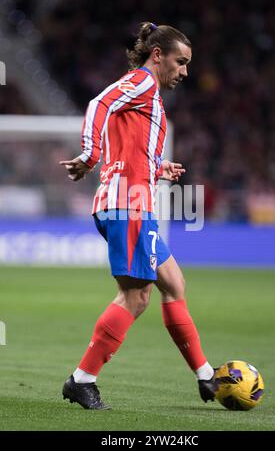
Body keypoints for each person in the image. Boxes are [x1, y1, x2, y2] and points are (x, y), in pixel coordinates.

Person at [60, 22, 216, 410]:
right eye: (181, 62)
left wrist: (156, 169)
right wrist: (89, 155)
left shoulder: (150, 96)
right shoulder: (143, 82)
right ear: (158, 55)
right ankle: (82, 379)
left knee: (174, 284)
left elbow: (129, 146)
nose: (185, 72)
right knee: (136, 296)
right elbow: (99, 103)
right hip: (126, 204)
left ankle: (207, 376)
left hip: (132, 199)